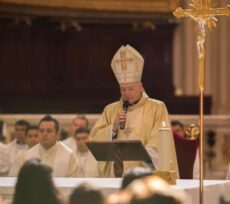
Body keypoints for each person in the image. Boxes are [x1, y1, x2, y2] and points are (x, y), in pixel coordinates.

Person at [89, 45, 178, 177]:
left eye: (130, 89)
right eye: (123, 89)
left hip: (144, 175)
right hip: (116, 174)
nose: (126, 93)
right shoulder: (110, 110)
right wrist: (112, 128)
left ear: (140, 87)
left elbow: (159, 142)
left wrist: (136, 153)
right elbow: (94, 138)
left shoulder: (157, 108)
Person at [16, 115, 80, 177]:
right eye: (41, 131)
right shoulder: (26, 156)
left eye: (49, 131)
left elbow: (72, 184)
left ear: (57, 134)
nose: (44, 134)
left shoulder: (70, 156)